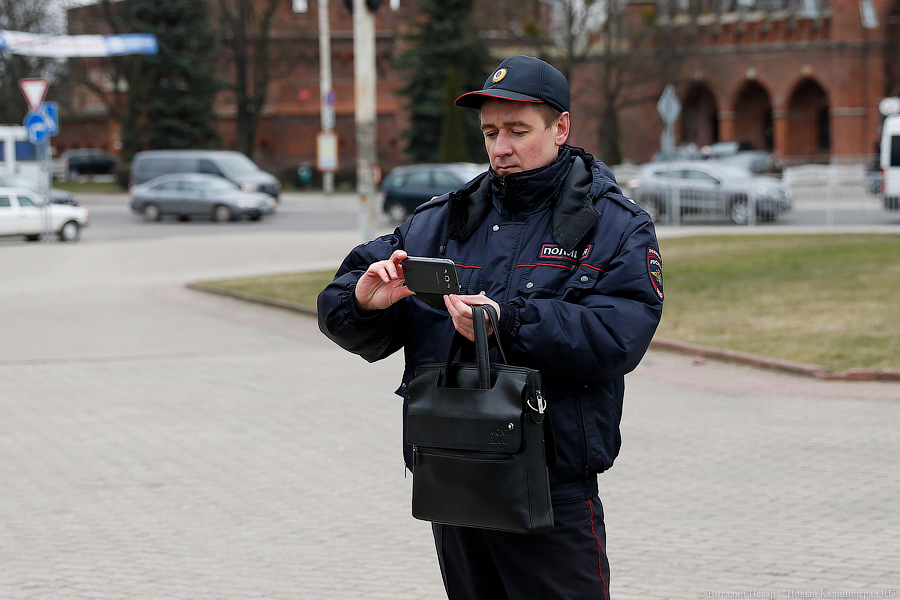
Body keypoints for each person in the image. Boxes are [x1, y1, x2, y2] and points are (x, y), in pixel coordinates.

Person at [318, 55, 664, 600]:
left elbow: (617, 336)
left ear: (562, 127)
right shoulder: (440, 221)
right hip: (452, 478)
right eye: (490, 132)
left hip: (550, 488)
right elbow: (340, 305)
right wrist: (365, 302)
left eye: (518, 131)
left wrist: (507, 320)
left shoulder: (614, 225)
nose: (501, 148)